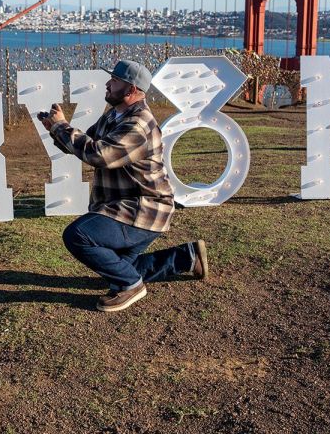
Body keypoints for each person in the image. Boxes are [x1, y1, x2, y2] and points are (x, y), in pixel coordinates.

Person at [40, 59, 209, 312]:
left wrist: (62, 127)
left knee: (77, 235)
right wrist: (55, 129)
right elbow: (86, 144)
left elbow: (100, 155)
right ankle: (187, 257)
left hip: (144, 208)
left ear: (131, 90)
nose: (108, 84)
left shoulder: (138, 124)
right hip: (124, 207)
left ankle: (131, 286)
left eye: (115, 81)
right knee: (115, 267)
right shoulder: (115, 115)